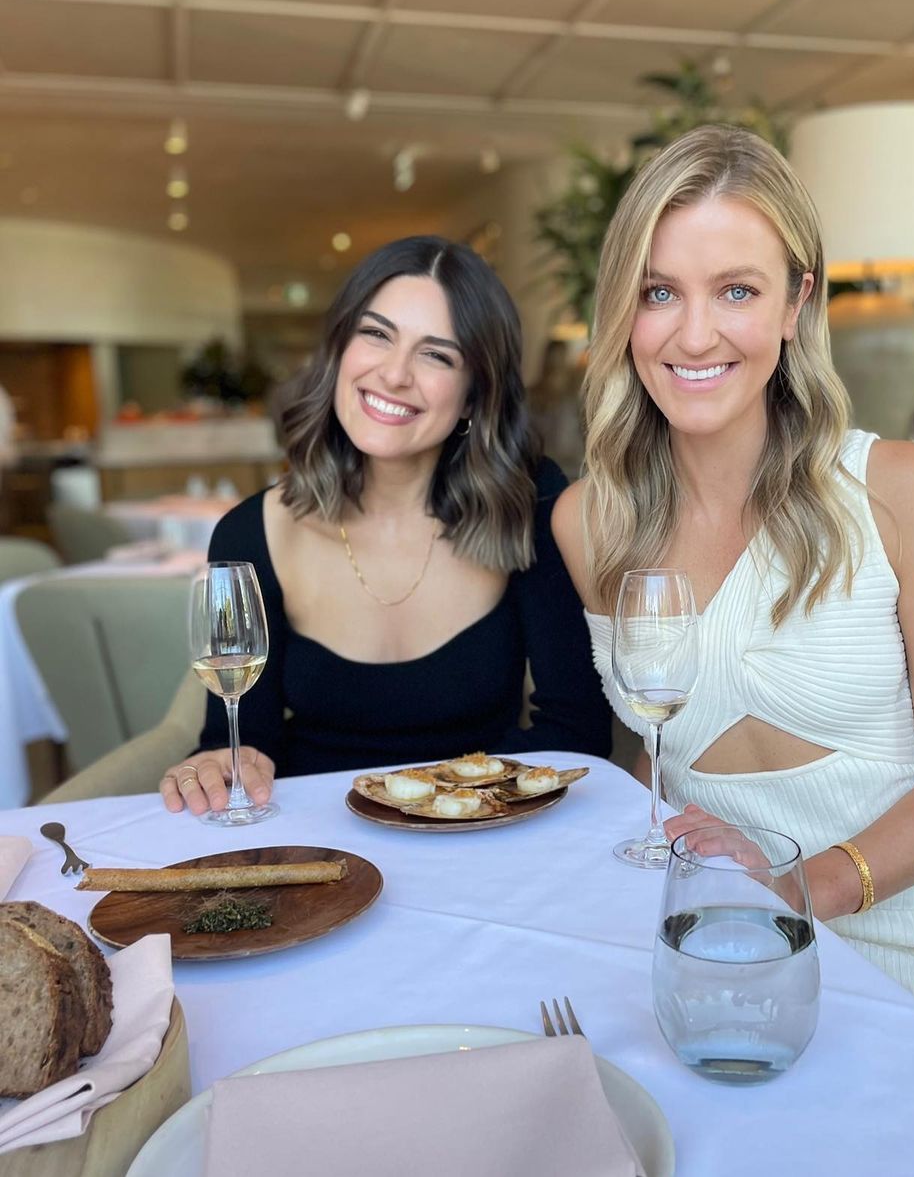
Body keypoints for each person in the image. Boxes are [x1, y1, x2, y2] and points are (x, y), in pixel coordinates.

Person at [552, 126, 914, 1066]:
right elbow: (667, 755)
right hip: (718, 950)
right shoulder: (590, 523)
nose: (695, 334)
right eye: (659, 292)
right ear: (623, 311)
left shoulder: (899, 489)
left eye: (737, 290)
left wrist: (800, 890)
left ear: (796, 302)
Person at [161, 235, 611, 814]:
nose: (395, 374)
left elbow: (577, 732)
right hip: (318, 842)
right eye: (376, 334)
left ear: (474, 395)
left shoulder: (532, 502)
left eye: (437, 355)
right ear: (339, 349)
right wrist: (221, 764)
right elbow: (244, 744)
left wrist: (436, 810)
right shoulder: (249, 534)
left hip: (482, 836)